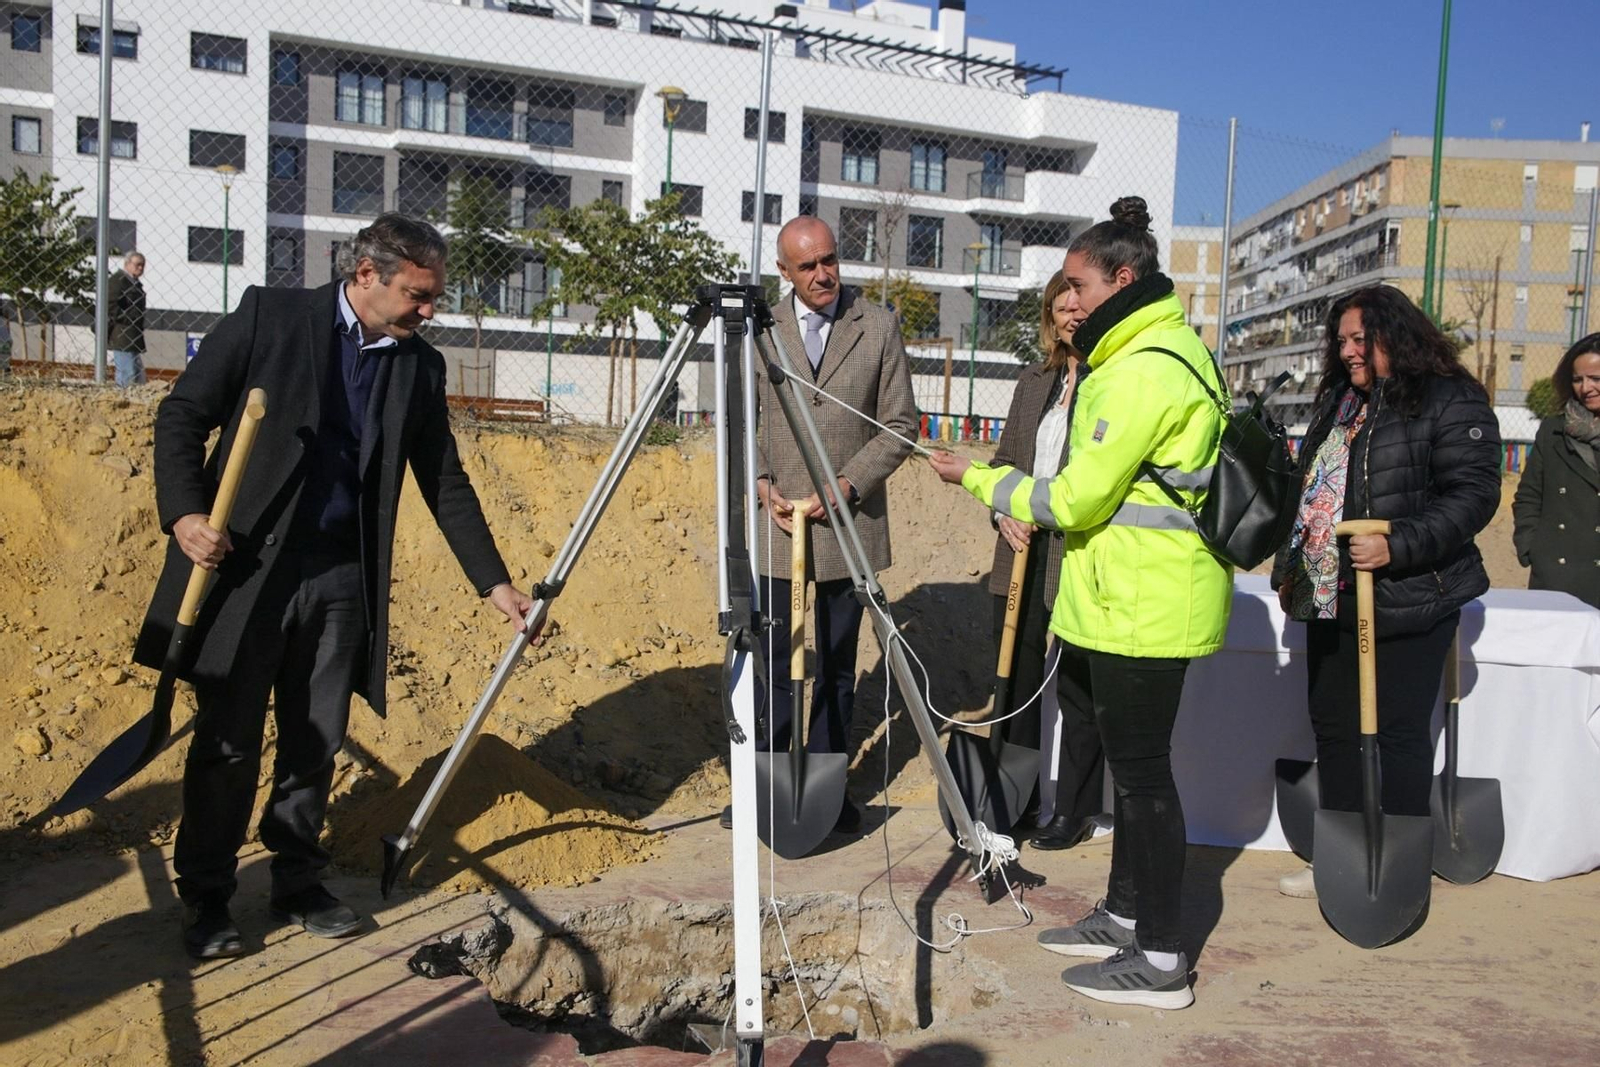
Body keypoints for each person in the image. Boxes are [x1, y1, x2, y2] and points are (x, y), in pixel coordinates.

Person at [135, 214, 536, 959]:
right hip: (246, 570)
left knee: (315, 736)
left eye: (434, 297)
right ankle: (210, 895)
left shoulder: (420, 365)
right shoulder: (270, 318)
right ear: (365, 276)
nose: (429, 311)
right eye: (417, 295)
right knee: (226, 741)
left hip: (341, 573)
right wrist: (186, 513)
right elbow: (182, 415)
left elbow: (441, 477)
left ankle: (295, 878)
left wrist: (494, 582)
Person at [930, 196, 1229, 1010]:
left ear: (1122, 278)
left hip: (1146, 605)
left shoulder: (1141, 370)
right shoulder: (1148, 350)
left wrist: (980, 480)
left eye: (1077, 282)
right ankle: (1126, 912)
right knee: (1135, 779)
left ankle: (1161, 960)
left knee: (1143, 783)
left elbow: (1077, 497)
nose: (1068, 299)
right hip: (1120, 597)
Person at [1270, 285, 1500, 899]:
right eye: (1340, 341)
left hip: (1411, 595)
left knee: (1399, 732)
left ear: (1395, 336)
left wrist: (1397, 544)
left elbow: (1474, 495)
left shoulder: (1450, 400)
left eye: (1359, 339)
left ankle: (1399, 858)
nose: (1347, 352)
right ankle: (1338, 857)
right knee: (1335, 727)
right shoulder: (1342, 402)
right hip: (1331, 594)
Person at [720, 215, 916, 834]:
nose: (823, 274)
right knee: (775, 660)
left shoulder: (878, 327)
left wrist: (844, 487)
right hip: (779, 529)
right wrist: (760, 485)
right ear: (784, 272)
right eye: (807, 266)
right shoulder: (758, 330)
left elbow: (902, 425)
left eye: (829, 260)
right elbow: (735, 421)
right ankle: (766, 791)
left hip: (847, 527)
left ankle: (826, 797)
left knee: (834, 662)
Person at [985, 270, 1104, 850]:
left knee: (1080, 688)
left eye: (1080, 306)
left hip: (1079, 552)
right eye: (1062, 309)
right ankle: (1018, 798)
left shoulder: (1110, 381)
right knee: (1018, 679)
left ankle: (1075, 809)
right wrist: (1003, 510)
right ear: (1050, 319)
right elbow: (1005, 461)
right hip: (1024, 550)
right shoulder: (1033, 382)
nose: (1073, 317)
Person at [1512, 333, 1600, 609]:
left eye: (1596, 378)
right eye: (1577, 379)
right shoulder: (1553, 431)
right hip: (1557, 576)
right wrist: (1532, 548)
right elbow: (1529, 495)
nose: (1586, 387)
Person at [108, 251, 147, 387]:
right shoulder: (118, 281)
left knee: (137, 374)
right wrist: (126, 318)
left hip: (133, 334)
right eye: (137, 264)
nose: (140, 268)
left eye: (142, 265)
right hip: (122, 333)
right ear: (127, 264)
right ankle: (123, 399)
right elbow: (109, 304)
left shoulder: (134, 283)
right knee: (127, 372)